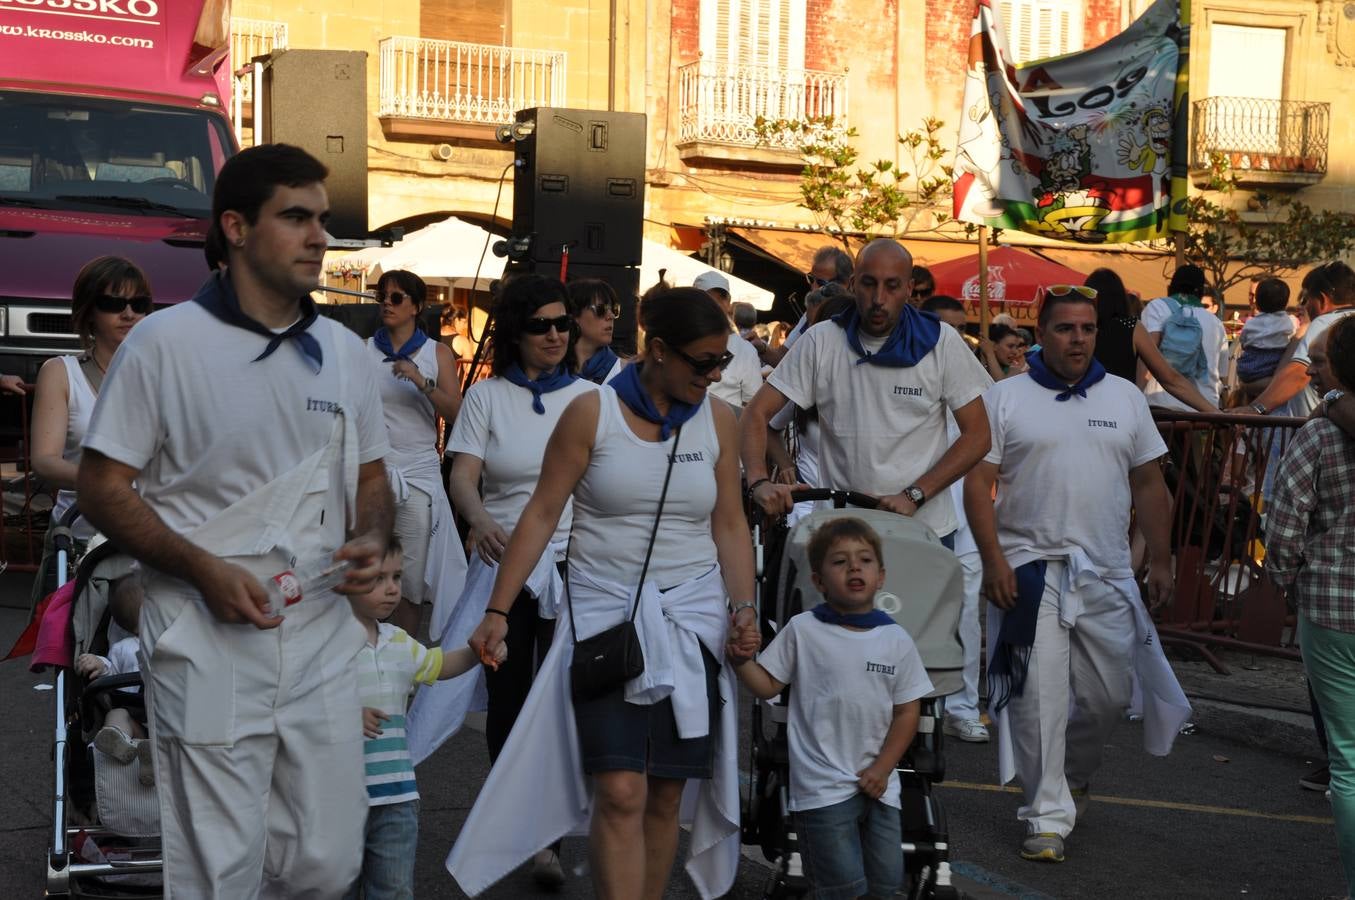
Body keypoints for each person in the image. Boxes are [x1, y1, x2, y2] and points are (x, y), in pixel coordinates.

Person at [76, 143, 394, 898]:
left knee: (324, 860)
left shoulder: (347, 354)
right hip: (204, 632)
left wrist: (374, 536)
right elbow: (101, 486)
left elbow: (373, 478)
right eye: (295, 217)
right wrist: (201, 569)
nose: (319, 236)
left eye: (322, 219)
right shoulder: (162, 343)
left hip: (319, 631)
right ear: (237, 227)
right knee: (220, 867)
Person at [451, 286, 756, 900]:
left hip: (690, 619)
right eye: (704, 363)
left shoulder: (718, 418)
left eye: (722, 361)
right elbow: (541, 513)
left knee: (666, 792)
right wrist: (497, 611)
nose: (716, 374)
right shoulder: (592, 413)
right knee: (620, 790)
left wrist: (744, 607)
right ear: (660, 351)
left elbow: (728, 522)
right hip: (603, 619)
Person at [964, 288, 1189, 864]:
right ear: (1041, 335)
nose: (1078, 338)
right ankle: (1045, 818)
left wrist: (1160, 558)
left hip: (1106, 572)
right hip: (1028, 572)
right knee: (1038, 701)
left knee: (1108, 697)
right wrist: (994, 563)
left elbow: (1149, 483)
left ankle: (1073, 776)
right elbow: (977, 485)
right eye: (1065, 328)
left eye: (1087, 328)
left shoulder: (1125, 397)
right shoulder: (1005, 397)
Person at [410, 273, 595, 886]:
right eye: (539, 324)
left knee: (566, 701)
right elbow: (463, 474)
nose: (553, 334)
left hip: (577, 566)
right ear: (514, 331)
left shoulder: (593, 400)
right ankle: (522, 832)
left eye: (562, 323)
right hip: (505, 563)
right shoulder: (487, 397)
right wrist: (480, 516)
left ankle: (549, 836)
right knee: (510, 701)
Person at [729, 517, 932, 900]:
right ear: (819, 582)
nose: (854, 567)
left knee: (886, 885)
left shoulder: (897, 640)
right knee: (843, 888)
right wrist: (742, 662)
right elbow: (768, 684)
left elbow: (908, 712)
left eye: (865, 560)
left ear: (881, 576)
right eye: (839, 562)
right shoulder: (804, 630)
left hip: (881, 788)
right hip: (821, 791)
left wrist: (883, 768)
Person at [742, 238, 992, 540]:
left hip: (923, 532)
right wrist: (758, 481)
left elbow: (978, 435)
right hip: (839, 535)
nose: (879, 298)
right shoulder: (821, 340)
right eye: (869, 284)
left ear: (909, 289)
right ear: (852, 283)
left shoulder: (942, 342)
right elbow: (756, 412)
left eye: (892, 286)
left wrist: (914, 495)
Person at [346, 534, 503, 900]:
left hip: (398, 795)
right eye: (377, 579)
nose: (391, 589)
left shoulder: (398, 641)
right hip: (338, 798)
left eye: (396, 578)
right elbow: (304, 700)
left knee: (394, 889)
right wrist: (345, 714)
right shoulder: (327, 644)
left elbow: (440, 665)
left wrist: (477, 651)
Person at [1266, 314, 1355, 899]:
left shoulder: (1319, 436)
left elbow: (1284, 526)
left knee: (1348, 760)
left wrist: (1286, 582)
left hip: (1331, 606)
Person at [29, 257, 152, 610]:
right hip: (81, 539)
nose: (129, 314)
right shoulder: (61, 371)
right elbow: (45, 462)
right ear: (89, 312)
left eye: (139, 304)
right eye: (114, 304)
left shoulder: (162, 376)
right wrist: (112, 479)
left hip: (148, 538)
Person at [367, 269, 466, 640]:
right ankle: (368, 652)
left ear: (417, 307)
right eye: (382, 297)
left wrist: (420, 381)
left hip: (417, 469)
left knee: (410, 573)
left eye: (396, 298)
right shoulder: (364, 350)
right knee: (370, 564)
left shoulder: (435, 352)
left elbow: (457, 413)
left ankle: (403, 657)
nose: (386, 305)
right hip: (373, 469)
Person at [1083, 269, 1217, 412]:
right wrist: (1214, 412)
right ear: (1121, 298)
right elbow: (1170, 379)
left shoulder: (1077, 330)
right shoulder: (1131, 327)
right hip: (1119, 411)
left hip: (1082, 405)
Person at [74, 574, 153, 785]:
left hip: (162, 722)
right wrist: (99, 664)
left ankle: (148, 757)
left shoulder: (169, 644)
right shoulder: (123, 648)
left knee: (120, 713)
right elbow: (110, 668)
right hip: (139, 721)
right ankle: (112, 742)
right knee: (118, 714)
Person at [1249, 261, 1355, 417]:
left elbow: (1298, 373)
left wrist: (1255, 409)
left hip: (1314, 428)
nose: (1304, 306)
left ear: (1322, 300)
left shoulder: (1325, 322)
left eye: (1306, 299)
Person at [1139, 263, 1228, 411]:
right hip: (1205, 413)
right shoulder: (1216, 323)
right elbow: (1222, 375)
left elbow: (1147, 358)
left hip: (1162, 410)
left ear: (1171, 287)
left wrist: (1136, 393)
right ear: (1201, 292)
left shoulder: (1157, 307)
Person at [761, 244, 855, 366]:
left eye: (821, 283)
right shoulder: (809, 313)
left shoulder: (855, 316)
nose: (813, 287)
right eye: (811, 279)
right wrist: (761, 347)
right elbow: (783, 357)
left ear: (846, 284)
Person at [693, 270, 763, 409]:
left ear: (729, 304)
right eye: (709, 298)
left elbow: (752, 404)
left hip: (726, 427)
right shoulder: (682, 342)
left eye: (722, 297)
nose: (717, 304)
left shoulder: (745, 350)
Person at [1235, 277, 1296, 388]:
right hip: (1275, 365)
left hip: (1250, 367)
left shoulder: (1251, 323)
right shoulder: (1288, 321)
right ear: (1286, 303)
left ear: (1257, 302)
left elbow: (1243, 341)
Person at [569, 278, 627, 384]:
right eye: (601, 309)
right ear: (574, 315)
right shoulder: (547, 372)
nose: (611, 316)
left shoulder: (626, 374)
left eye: (614, 309)